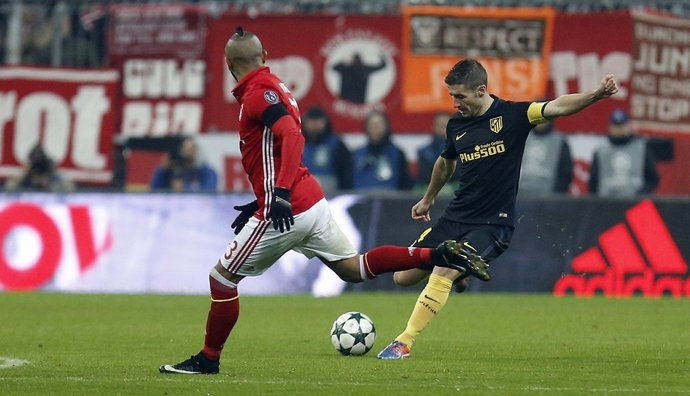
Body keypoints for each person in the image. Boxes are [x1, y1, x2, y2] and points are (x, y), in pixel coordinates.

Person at [159, 27, 473, 375]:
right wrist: (268, 192)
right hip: (310, 201)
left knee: (222, 279)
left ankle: (207, 359)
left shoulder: (257, 94)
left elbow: (292, 136)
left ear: (229, 63)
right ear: (263, 58)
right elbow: (276, 148)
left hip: (286, 209)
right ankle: (436, 255)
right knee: (354, 269)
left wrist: (277, 193)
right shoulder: (272, 86)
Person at [376, 58, 619, 359]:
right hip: (456, 217)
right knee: (403, 277)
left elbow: (557, 106)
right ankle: (461, 272)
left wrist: (596, 94)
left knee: (443, 269)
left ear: (481, 90)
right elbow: (445, 161)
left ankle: (404, 341)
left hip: (492, 224)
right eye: (451, 96)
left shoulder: (515, 115)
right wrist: (428, 198)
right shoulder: (457, 126)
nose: (454, 103)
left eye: (460, 96)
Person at [588, 109, 659, 197]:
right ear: (610, 127)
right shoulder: (601, 150)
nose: (619, 129)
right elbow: (593, 181)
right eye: (616, 126)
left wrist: (642, 195)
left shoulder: (642, 148)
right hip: (606, 202)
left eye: (622, 125)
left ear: (629, 125)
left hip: (635, 201)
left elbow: (652, 178)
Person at [352, 109, 413, 191]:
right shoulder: (356, 155)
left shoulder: (397, 154)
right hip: (360, 201)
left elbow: (406, 187)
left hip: (392, 202)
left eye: (379, 124)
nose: (375, 128)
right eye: (372, 125)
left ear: (387, 126)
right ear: (366, 128)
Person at [301, 105, 353, 193]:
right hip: (302, 196)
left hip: (331, 197)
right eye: (311, 121)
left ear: (325, 122)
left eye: (317, 121)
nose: (314, 124)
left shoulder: (337, 144)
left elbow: (346, 175)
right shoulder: (299, 144)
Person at [518, 118, 573, 195]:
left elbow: (565, 174)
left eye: (544, 118)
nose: (541, 122)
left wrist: (556, 197)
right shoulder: (521, 138)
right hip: (520, 196)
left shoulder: (560, 142)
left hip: (548, 198)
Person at [150, 136, 218, 192]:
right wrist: (162, 171)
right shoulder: (171, 169)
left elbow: (209, 192)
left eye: (192, 148)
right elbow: (154, 190)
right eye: (185, 149)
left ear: (197, 150)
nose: (188, 152)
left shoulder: (207, 171)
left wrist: (185, 188)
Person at [415, 112, 458, 194]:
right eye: (440, 125)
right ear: (433, 127)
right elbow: (423, 180)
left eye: (445, 125)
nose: (443, 128)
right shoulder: (424, 153)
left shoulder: (462, 150)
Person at [5, 143, 73, 192]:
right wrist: (25, 177)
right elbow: (9, 188)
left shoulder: (54, 176)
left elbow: (70, 189)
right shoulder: (26, 177)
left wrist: (51, 186)